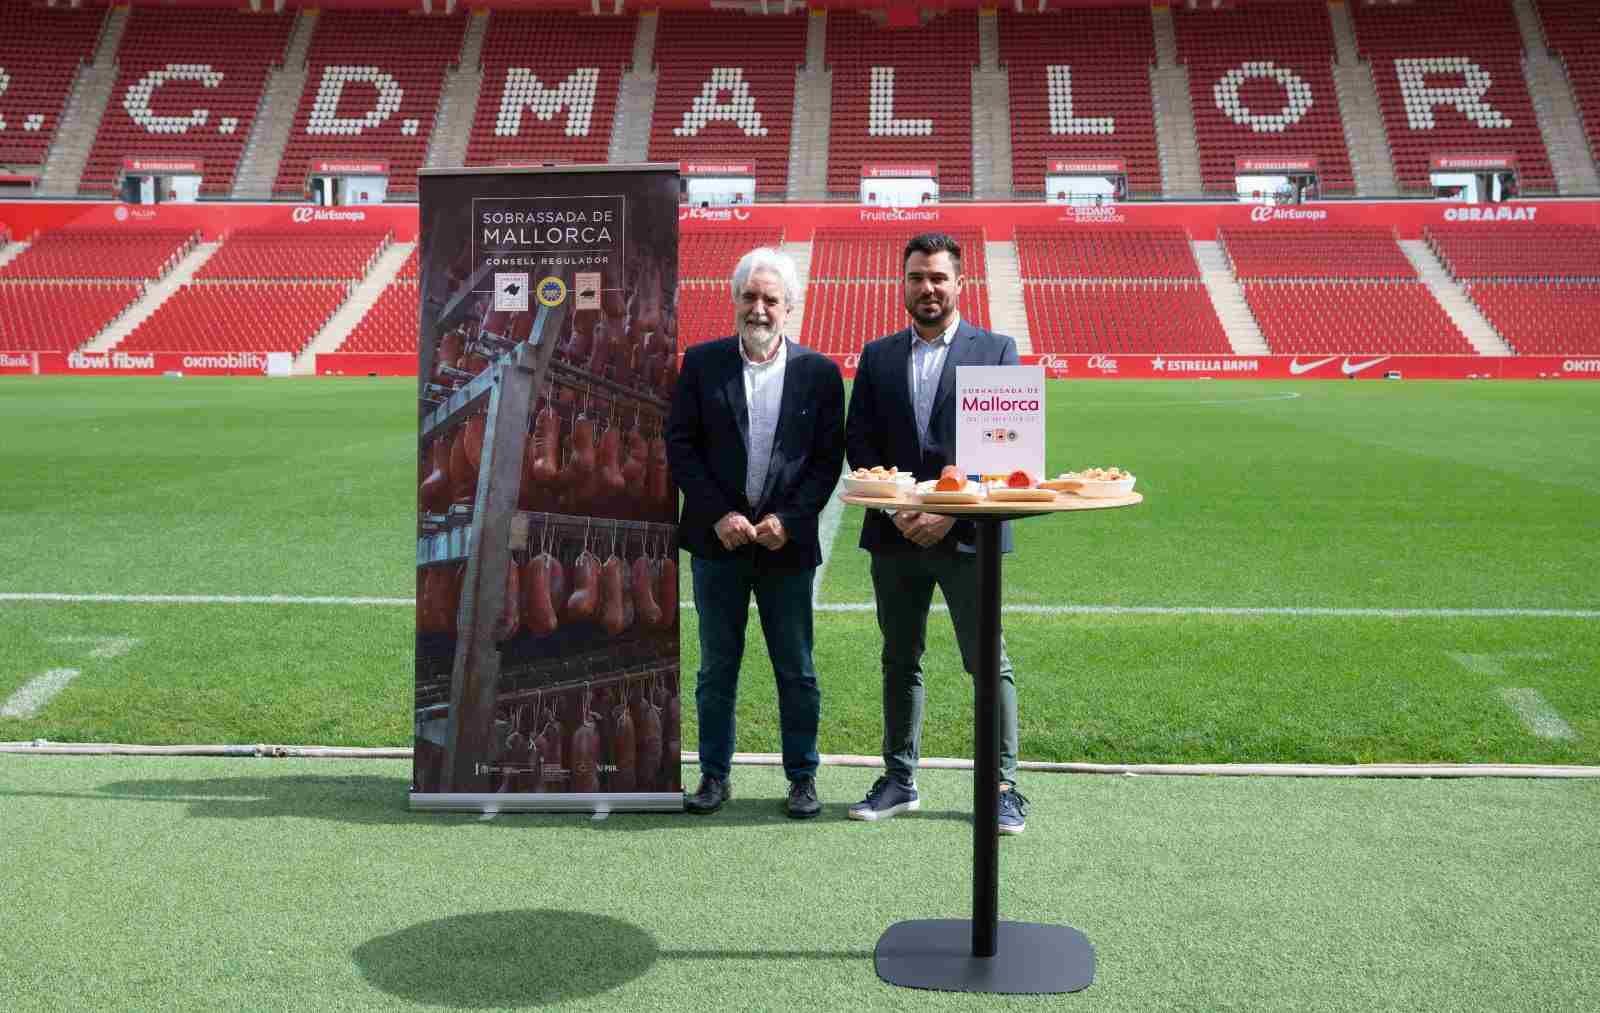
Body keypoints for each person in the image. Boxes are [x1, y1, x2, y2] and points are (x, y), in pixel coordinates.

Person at [843, 232, 1030, 835]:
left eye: (938, 278)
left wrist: (952, 511)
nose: (928, 288)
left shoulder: (997, 351)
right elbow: (861, 444)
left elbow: (1007, 448)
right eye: (917, 277)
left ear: (959, 284)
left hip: (969, 536)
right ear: (904, 284)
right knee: (900, 659)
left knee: (987, 663)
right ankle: (899, 780)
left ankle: (1002, 787)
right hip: (896, 536)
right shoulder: (876, 357)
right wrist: (899, 510)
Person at [665, 247, 846, 819]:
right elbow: (681, 446)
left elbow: (826, 460)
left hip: (785, 548)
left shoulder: (819, 373)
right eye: (751, 297)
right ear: (735, 300)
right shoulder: (701, 363)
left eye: (771, 299)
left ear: (789, 307)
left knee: (796, 667)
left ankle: (802, 777)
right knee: (717, 666)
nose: (760, 308)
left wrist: (787, 522)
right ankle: (714, 775)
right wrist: (718, 513)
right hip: (718, 544)